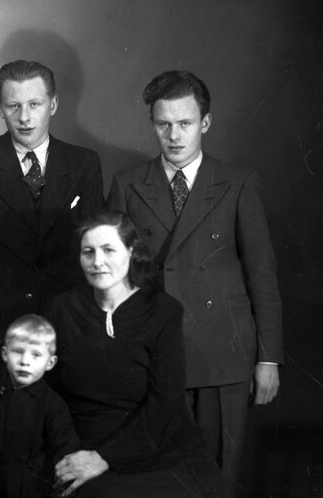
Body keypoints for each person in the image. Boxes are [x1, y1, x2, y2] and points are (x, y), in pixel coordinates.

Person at [107, 70, 283, 492]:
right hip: (154, 354)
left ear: (205, 123)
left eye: (185, 123)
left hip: (223, 355)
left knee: (218, 476)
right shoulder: (128, 185)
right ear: (152, 124)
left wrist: (269, 359)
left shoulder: (237, 183)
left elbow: (262, 274)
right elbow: (112, 277)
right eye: (163, 124)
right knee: (159, 480)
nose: (174, 136)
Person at [43, 210, 227, 497]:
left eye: (108, 250)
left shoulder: (163, 310)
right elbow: (47, 393)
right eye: (88, 252)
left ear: (131, 252)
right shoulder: (60, 309)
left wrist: (105, 458)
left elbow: (166, 401)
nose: (97, 262)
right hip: (84, 439)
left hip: (156, 442)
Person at [0, 59, 104, 338]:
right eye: (13, 106)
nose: (24, 118)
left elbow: (95, 249)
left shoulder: (83, 163)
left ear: (53, 105)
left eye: (34, 105)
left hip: (65, 317)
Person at [0, 314, 79, 498]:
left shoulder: (53, 404)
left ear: (50, 363)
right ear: (5, 354)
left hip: (33, 489)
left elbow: (64, 446)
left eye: (36, 355)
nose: (25, 361)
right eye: (18, 351)